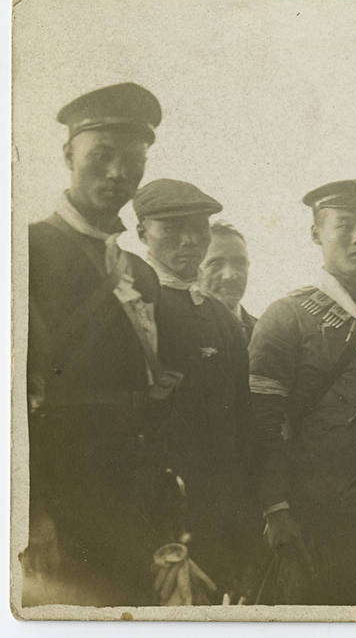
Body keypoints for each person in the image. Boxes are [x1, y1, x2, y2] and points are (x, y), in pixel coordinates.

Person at [23, 82, 172, 605]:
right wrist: (31, 512)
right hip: (64, 500)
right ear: (68, 155)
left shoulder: (137, 272)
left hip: (137, 499)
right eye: (100, 156)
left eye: (132, 160)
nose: (117, 173)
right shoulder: (27, 250)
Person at [248, 180, 356, 605]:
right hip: (318, 518)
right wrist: (276, 509)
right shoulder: (286, 318)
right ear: (316, 233)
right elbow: (264, 427)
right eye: (345, 225)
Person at [134, 179, 262, 602]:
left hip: (223, 516)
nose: (189, 240)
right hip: (158, 520)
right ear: (142, 234)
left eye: (198, 227)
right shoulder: (130, 307)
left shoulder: (219, 317)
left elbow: (242, 428)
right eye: (172, 228)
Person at [199, 220, 257, 342]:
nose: (230, 275)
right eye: (216, 264)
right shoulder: (180, 330)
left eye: (239, 263)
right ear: (195, 269)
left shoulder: (265, 332)